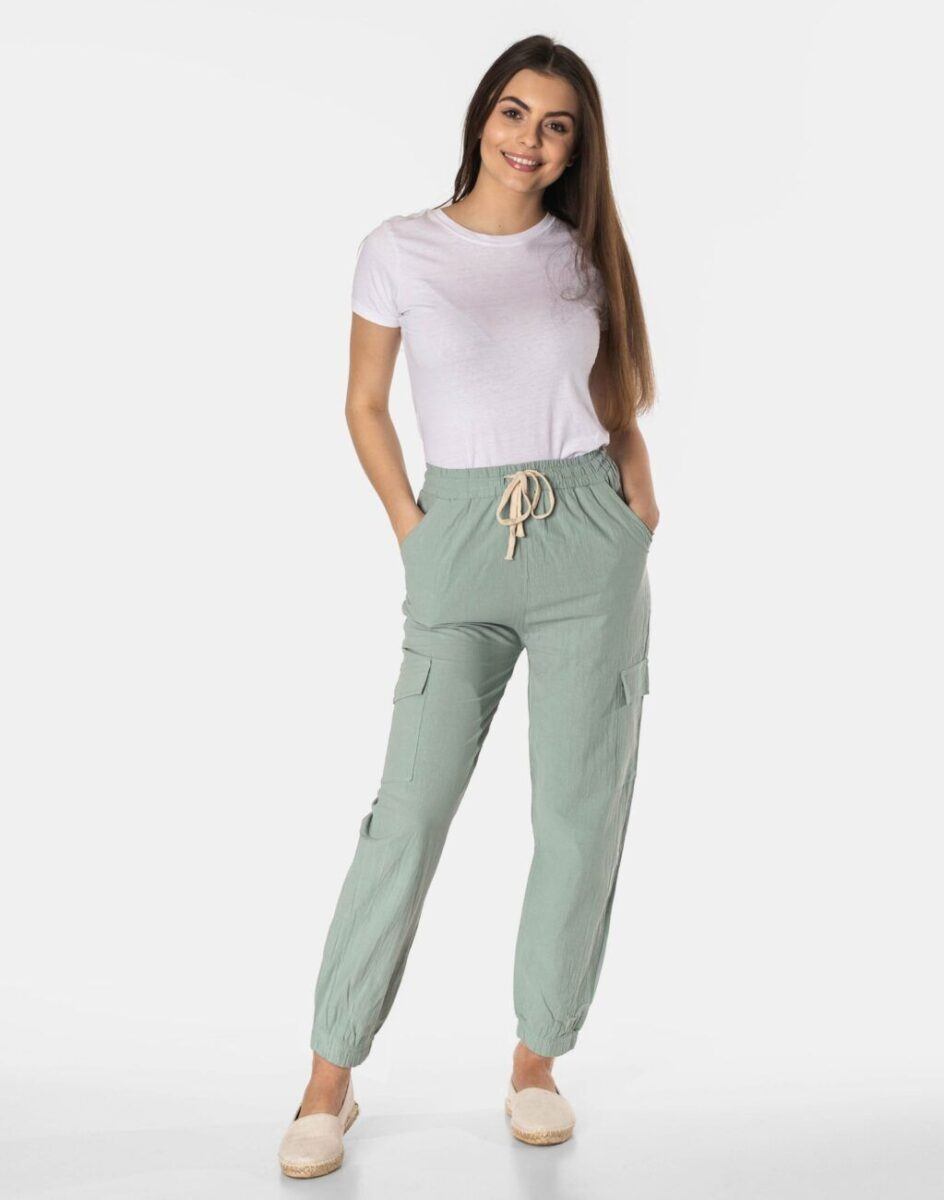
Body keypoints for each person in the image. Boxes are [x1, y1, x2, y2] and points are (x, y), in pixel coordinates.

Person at [278, 33, 659, 1179]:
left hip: (586, 539)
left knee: (577, 815)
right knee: (407, 813)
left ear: (575, 147)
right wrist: (414, 528)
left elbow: (615, 397)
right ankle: (328, 1077)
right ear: (481, 117)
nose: (528, 139)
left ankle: (536, 1060)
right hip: (455, 543)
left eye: (555, 125)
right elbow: (363, 403)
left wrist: (635, 506)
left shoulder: (582, 255)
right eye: (513, 112)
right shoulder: (399, 249)